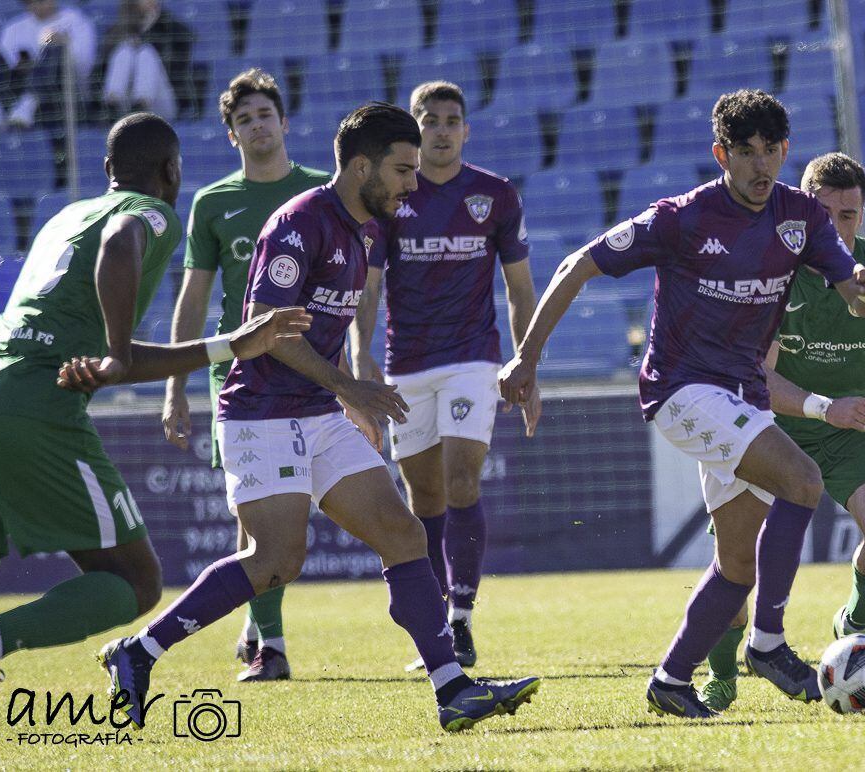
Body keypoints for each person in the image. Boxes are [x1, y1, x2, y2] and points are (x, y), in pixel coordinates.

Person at [97, 103, 540, 734]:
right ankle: (136, 655)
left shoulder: (363, 231)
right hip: (263, 413)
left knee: (404, 533)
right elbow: (267, 334)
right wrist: (349, 387)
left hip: (318, 409)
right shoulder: (299, 225)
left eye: (415, 171)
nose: (412, 185)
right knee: (276, 558)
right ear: (361, 165)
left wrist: (343, 393)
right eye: (402, 171)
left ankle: (452, 688)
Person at [0, 113, 311, 748]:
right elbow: (122, 245)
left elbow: (104, 359)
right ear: (171, 172)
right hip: (33, 408)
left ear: (104, 171)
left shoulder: (64, 218)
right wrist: (121, 351)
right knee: (136, 582)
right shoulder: (151, 212)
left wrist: (226, 345)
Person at [497, 90, 865, 719]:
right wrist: (527, 358)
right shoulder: (682, 217)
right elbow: (576, 265)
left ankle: (671, 680)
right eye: (746, 153)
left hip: (745, 400)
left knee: (736, 563)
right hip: (680, 390)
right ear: (720, 155)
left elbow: (854, 294)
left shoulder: (802, 218)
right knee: (804, 480)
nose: (762, 166)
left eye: (772, 152)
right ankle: (768, 644)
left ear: (785, 152)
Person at [696, 152, 865, 712]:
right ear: (802, 209)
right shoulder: (770, 273)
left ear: (862, 215)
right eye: (826, 214)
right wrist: (824, 406)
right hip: (767, 429)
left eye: (849, 215)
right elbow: (755, 380)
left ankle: (850, 631)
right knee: (736, 566)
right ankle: (721, 673)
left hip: (852, 430)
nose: (838, 228)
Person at [349, 80, 538, 672]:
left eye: (452, 120)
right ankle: (434, 623)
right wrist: (360, 353)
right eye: (429, 120)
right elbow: (369, 285)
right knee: (423, 494)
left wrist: (527, 360)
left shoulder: (495, 195)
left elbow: (520, 287)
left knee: (461, 479)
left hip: (473, 358)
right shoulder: (390, 199)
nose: (441, 130)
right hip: (407, 365)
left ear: (466, 130)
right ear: (415, 128)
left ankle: (461, 615)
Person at [162, 68, 331, 682]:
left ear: (284, 122)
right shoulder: (212, 203)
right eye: (243, 119)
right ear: (231, 135)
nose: (256, 125)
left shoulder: (324, 193)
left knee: (283, 516)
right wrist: (175, 386)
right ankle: (272, 644)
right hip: (241, 383)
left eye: (264, 114)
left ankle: (258, 624)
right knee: (255, 514)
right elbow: (192, 301)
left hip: (317, 375)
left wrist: (361, 365)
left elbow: (365, 287)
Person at [0, 0, 98, 129]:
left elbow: (84, 66)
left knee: (54, 49)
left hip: (60, 94)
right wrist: (26, 66)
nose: (38, 5)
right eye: (31, 2)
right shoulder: (13, 27)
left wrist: (64, 43)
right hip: (17, 91)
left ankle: (29, 103)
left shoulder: (76, 20)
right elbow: (6, 66)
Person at [101, 0, 194, 119]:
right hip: (125, 101)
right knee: (124, 50)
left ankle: (141, 105)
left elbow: (176, 70)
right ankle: (112, 105)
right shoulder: (120, 26)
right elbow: (104, 64)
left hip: (161, 100)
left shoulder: (173, 28)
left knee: (146, 52)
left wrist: (146, 33)